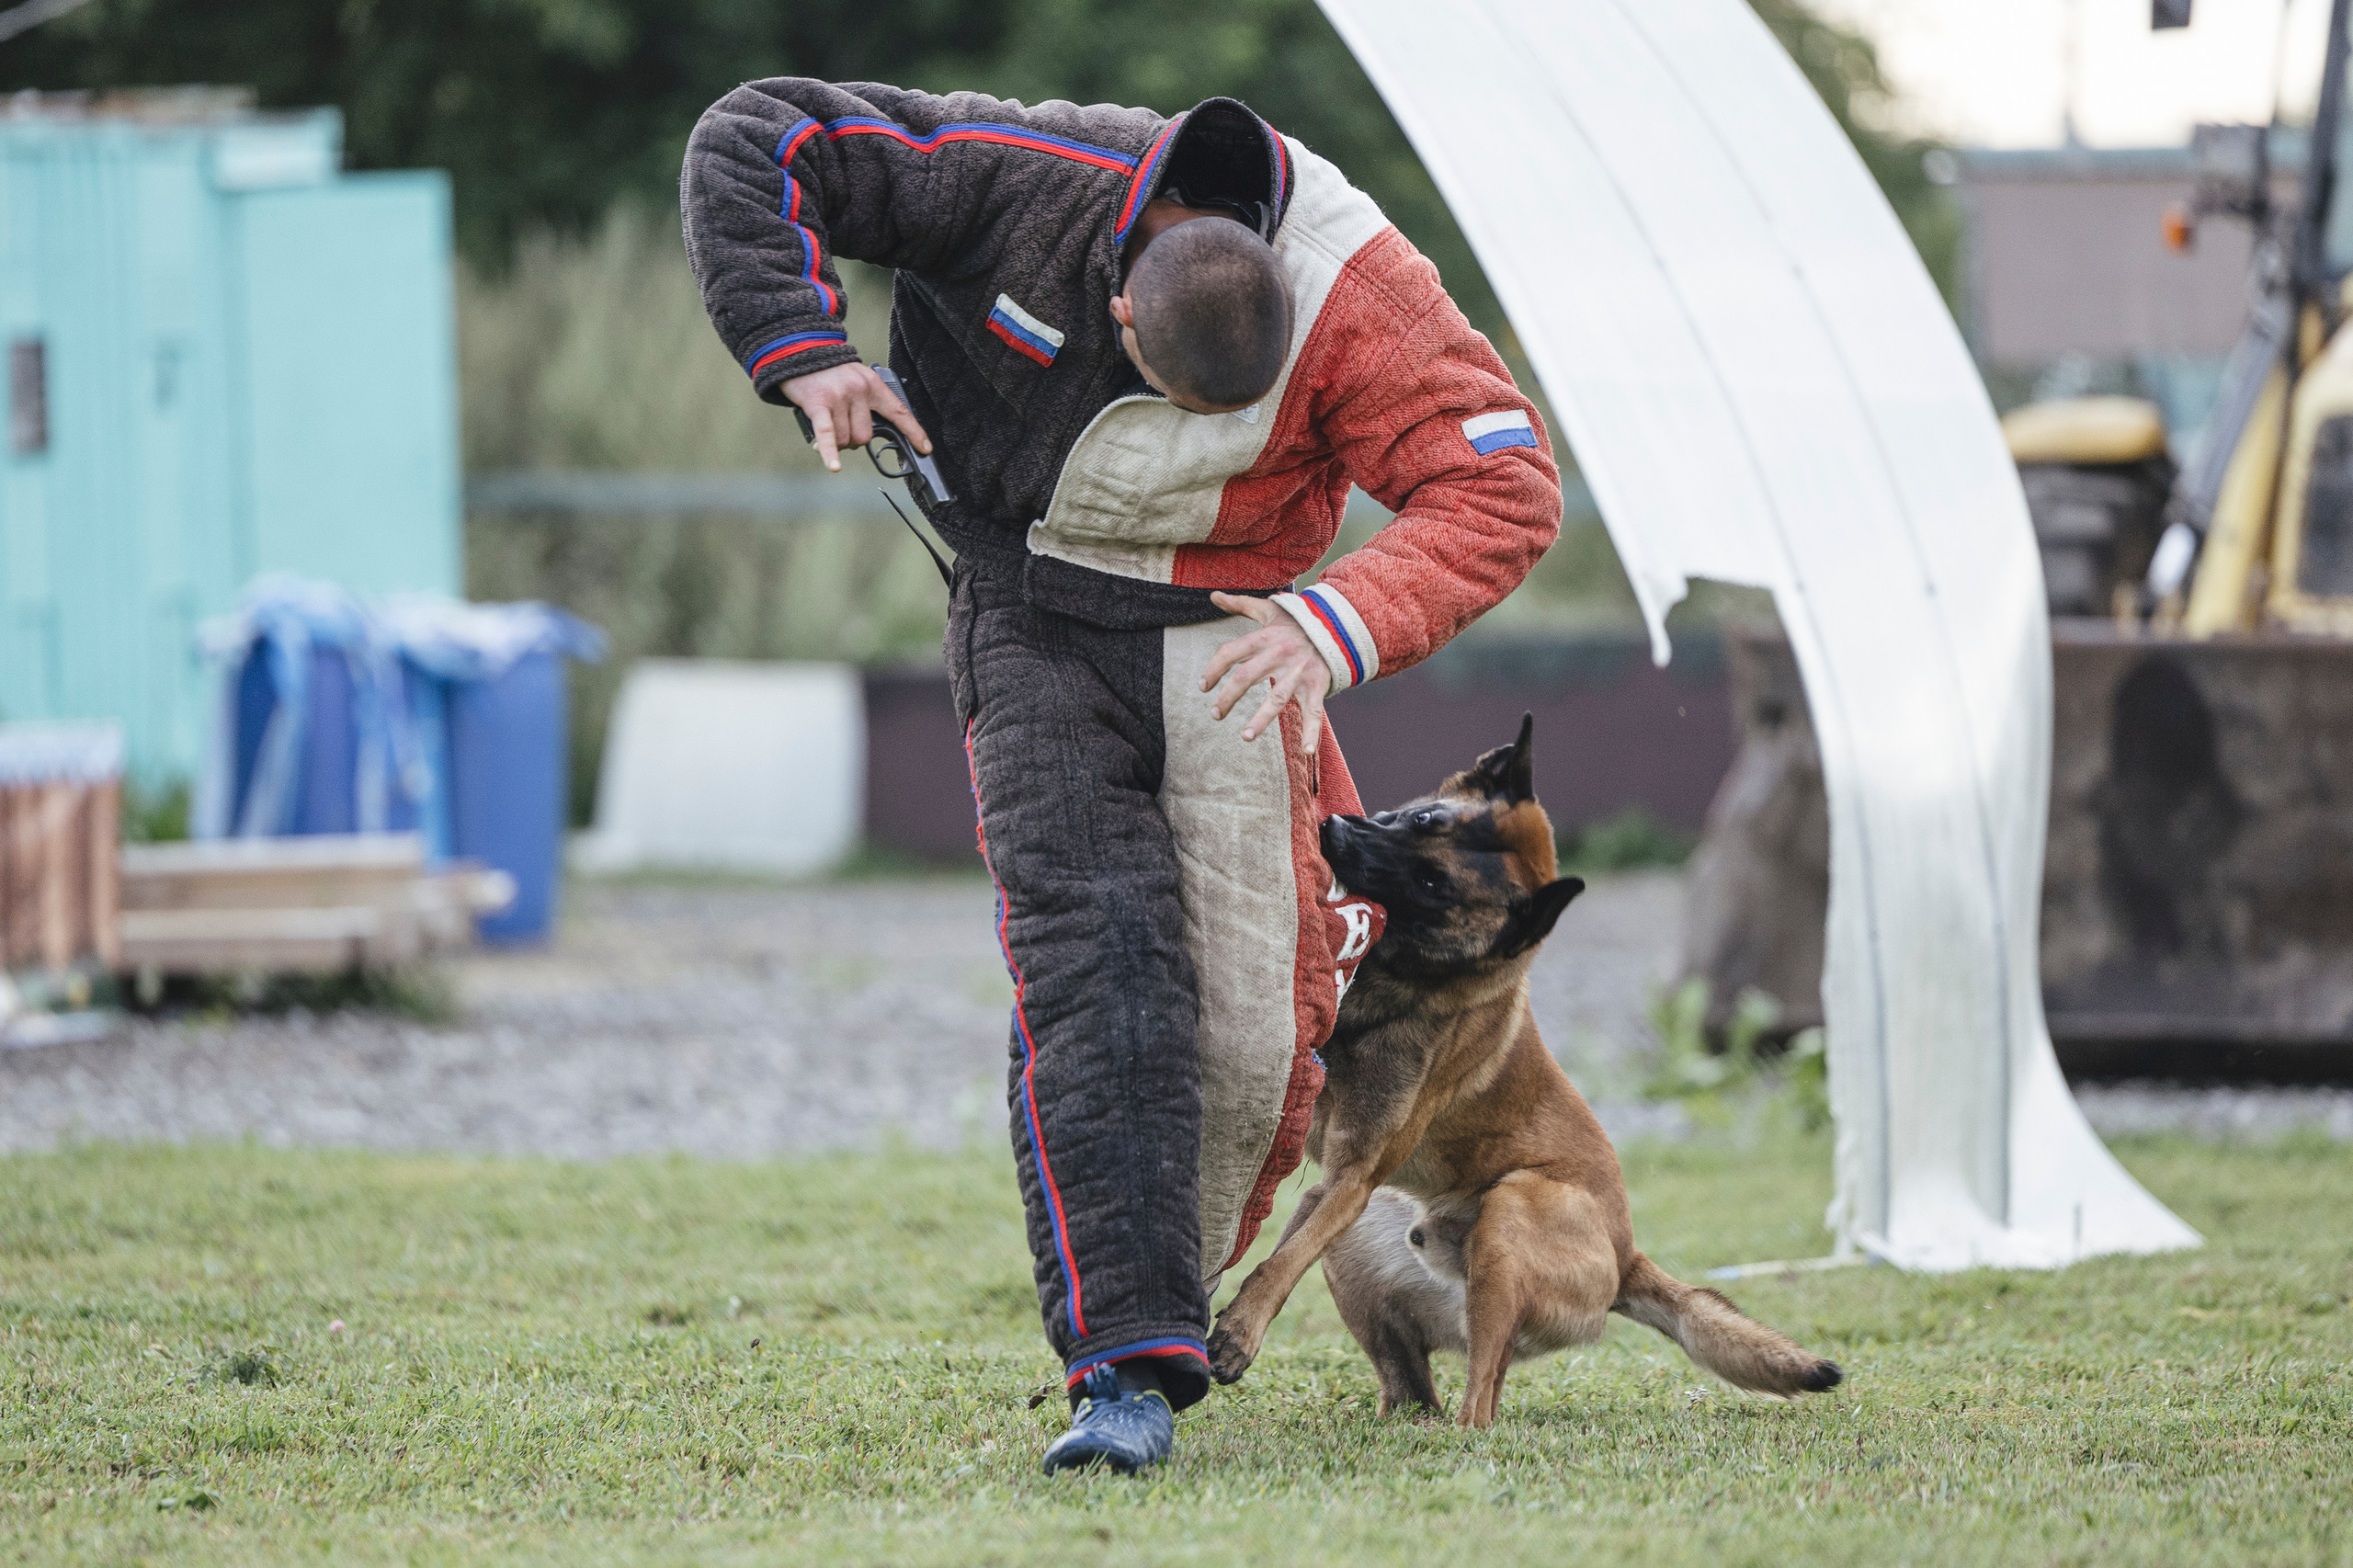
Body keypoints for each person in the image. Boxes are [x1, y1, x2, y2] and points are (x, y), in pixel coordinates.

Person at [681, 84, 1560, 1473]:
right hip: (1029, 609)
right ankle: (1129, 1366)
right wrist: (803, 346)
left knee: (1261, 1025)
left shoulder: (1362, 295)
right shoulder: (1015, 173)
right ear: (1125, 309)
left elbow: (1505, 485)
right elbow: (757, 139)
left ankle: (1169, 1276)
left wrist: (1334, 619)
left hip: (1237, 631)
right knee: (1105, 960)